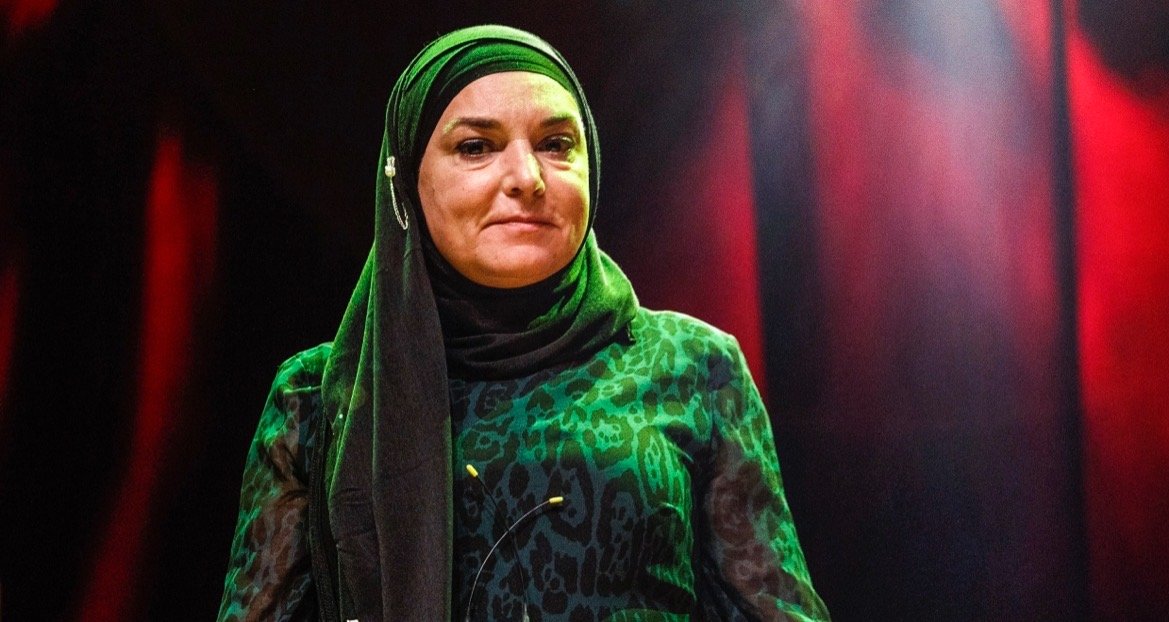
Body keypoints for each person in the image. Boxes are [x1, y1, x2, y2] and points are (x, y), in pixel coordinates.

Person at [217, 24, 829, 622]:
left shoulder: (692, 365)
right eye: (476, 148)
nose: (527, 180)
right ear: (404, 180)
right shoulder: (321, 397)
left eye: (556, 144)